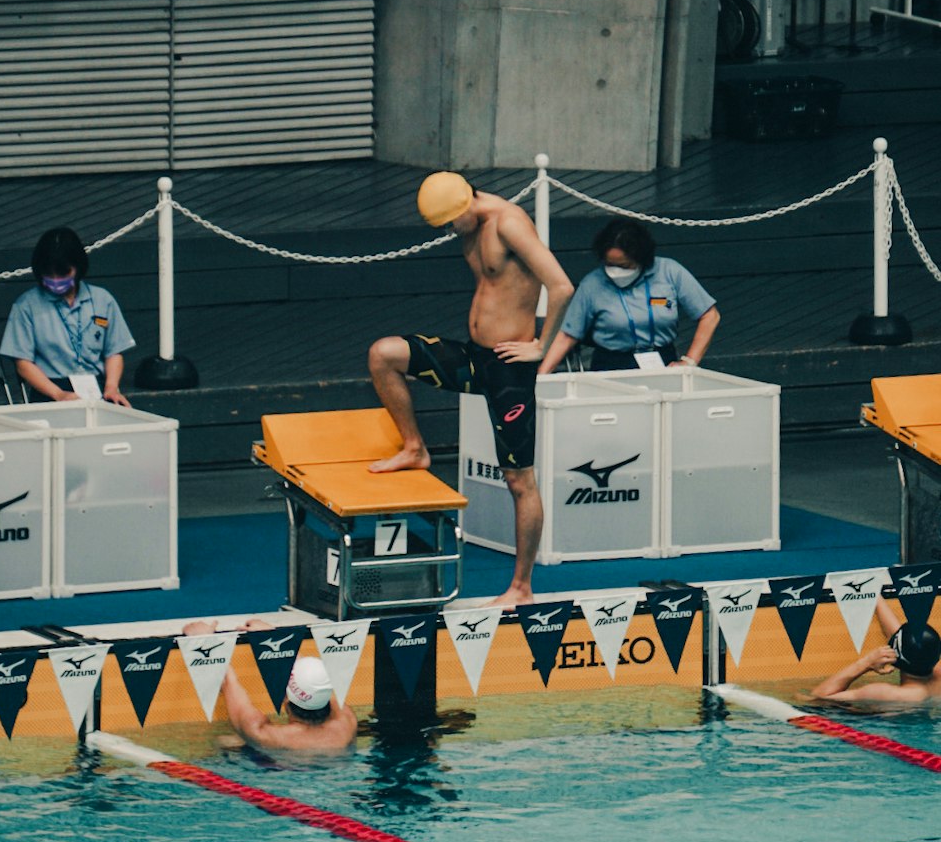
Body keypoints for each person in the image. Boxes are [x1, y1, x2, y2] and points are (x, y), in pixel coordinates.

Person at [367, 171, 575, 609]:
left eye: (448, 224)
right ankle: (414, 448)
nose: (447, 233)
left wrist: (541, 347)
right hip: (475, 359)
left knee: (520, 480)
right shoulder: (472, 223)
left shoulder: (508, 222)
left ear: (464, 207)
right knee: (384, 354)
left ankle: (521, 587)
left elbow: (561, 285)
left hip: (508, 370)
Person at [538, 217, 719, 374]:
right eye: (610, 264)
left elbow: (710, 316)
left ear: (642, 259)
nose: (616, 271)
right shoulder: (592, 284)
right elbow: (568, 336)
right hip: (611, 365)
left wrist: (689, 361)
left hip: (663, 362)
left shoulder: (669, 271)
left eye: (624, 266)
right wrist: (541, 378)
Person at [0, 226, 135, 404]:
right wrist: (58, 394)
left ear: (78, 267)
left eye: (63, 273)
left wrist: (111, 388)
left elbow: (114, 352)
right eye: (49, 274)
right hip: (50, 390)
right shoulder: (26, 305)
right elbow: (23, 363)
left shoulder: (103, 299)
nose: (56, 280)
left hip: (96, 387)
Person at [183, 619, 357, 753]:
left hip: (276, 773)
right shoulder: (346, 725)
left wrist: (203, 639)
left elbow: (226, 680)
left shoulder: (264, 734)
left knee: (225, 742)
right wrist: (270, 636)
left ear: (286, 703)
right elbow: (318, 683)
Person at [810, 594, 941, 705]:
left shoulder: (885, 694)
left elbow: (816, 699)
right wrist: (876, 597)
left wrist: (866, 663)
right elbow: (907, 643)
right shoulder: (935, 671)